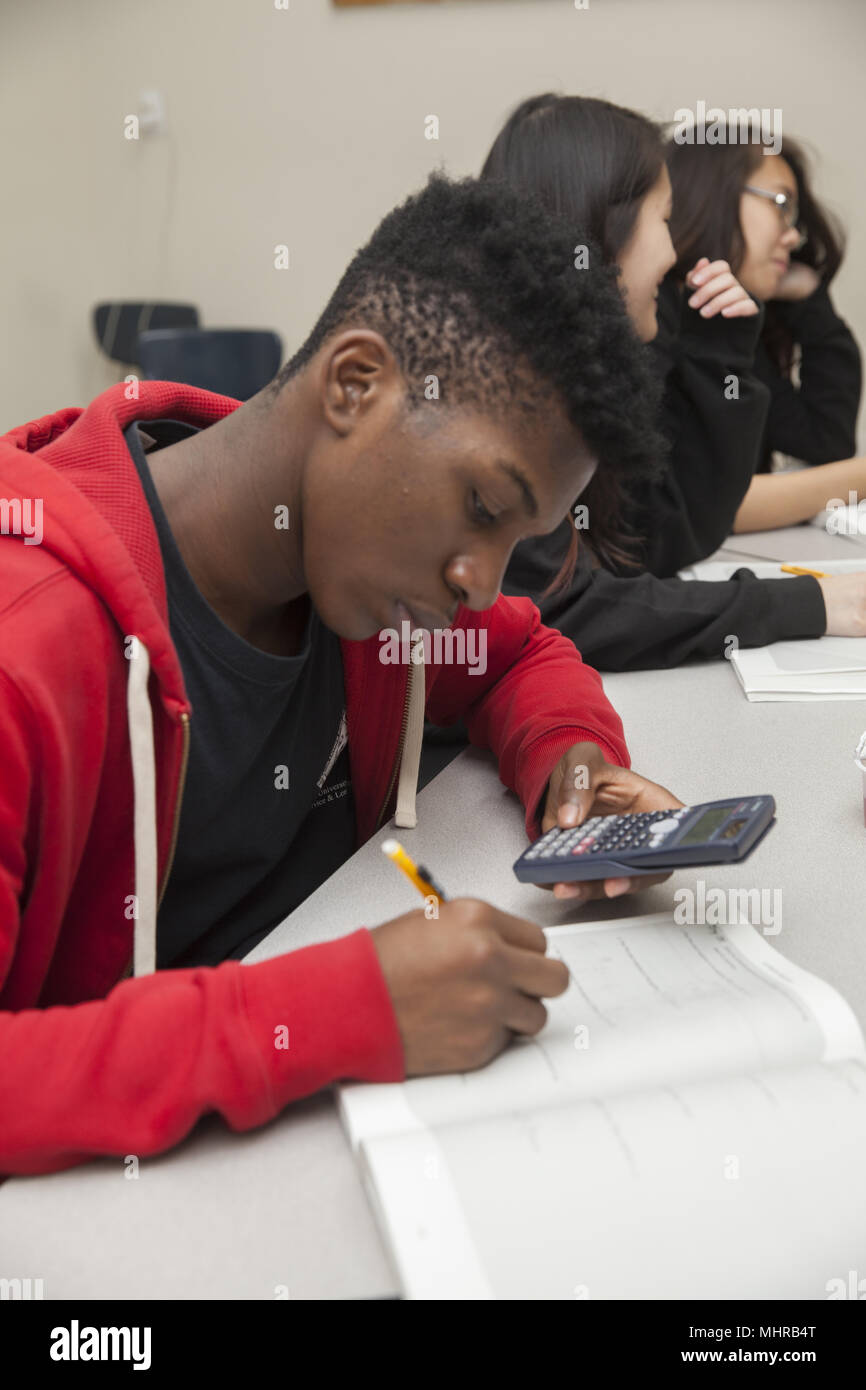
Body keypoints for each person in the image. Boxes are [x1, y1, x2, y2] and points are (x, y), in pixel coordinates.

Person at [0, 173, 680, 1176]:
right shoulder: (29, 645)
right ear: (354, 385)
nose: (477, 583)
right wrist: (341, 1011)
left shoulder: (360, 580)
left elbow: (523, 650)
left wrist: (570, 759)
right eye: (484, 509)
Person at [475, 94, 866, 672]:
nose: (671, 246)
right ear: (607, 227)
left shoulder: (650, 335)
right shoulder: (510, 385)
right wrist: (801, 602)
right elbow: (571, 608)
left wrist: (726, 352)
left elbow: (656, 542)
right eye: (663, 218)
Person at [667, 131, 861, 477]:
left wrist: (810, 298)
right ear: (713, 196)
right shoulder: (654, 319)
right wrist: (855, 478)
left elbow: (824, 439)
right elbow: (687, 505)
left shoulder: (730, 324)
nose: (794, 236)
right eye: (782, 205)